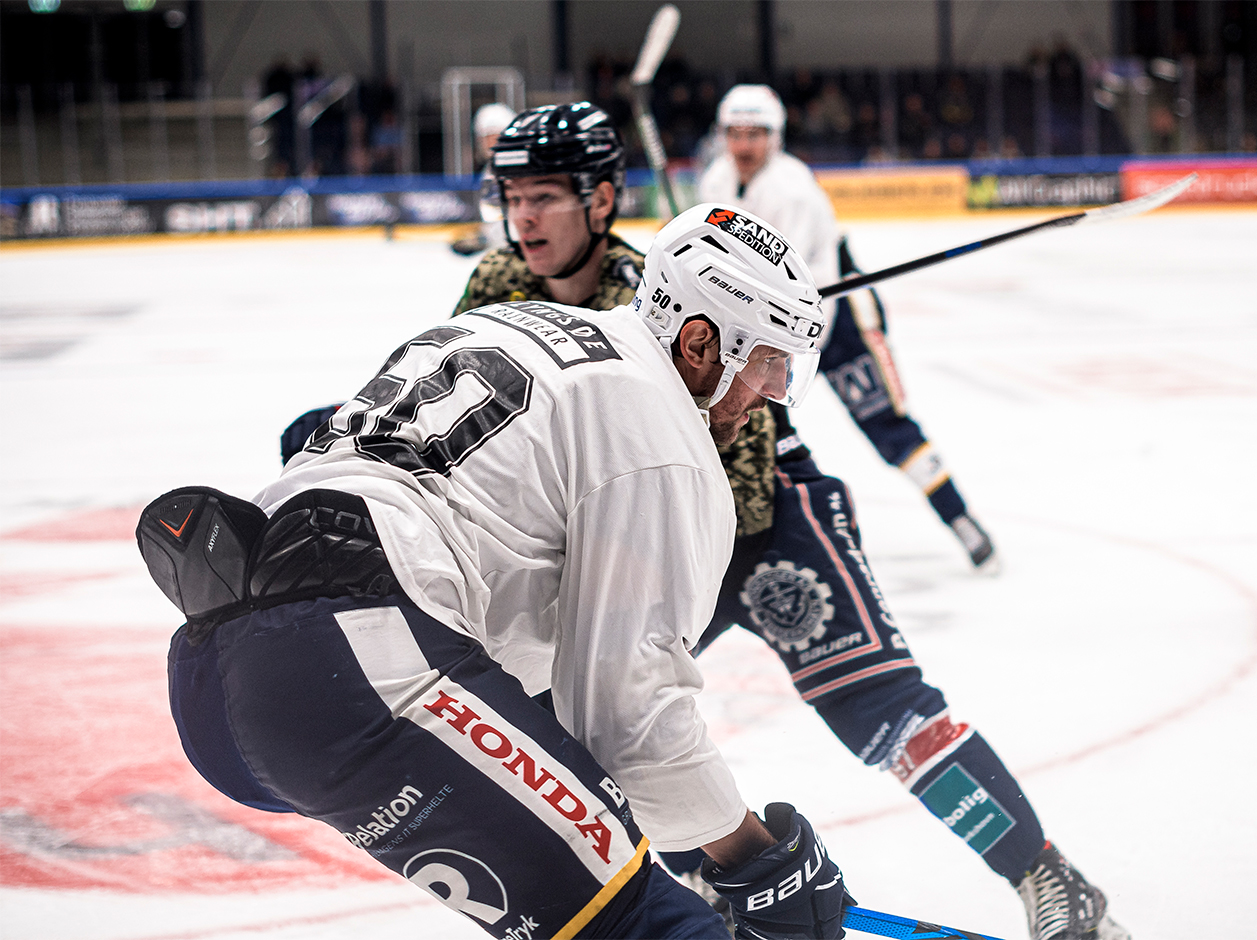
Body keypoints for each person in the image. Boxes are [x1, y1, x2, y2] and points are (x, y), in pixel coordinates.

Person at [427, 101, 1129, 940]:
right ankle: (715, 893)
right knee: (594, 729)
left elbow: (742, 452)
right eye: (513, 197)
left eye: (544, 196)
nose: (524, 217)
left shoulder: (651, 293)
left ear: (601, 200)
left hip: (764, 522)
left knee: (881, 708)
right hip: (632, 541)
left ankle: (1048, 876)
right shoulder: (493, 287)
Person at [139, 202, 854, 939]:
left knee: (600, 889)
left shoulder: (514, 323)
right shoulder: (660, 431)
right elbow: (629, 712)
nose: (772, 393)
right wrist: (759, 862)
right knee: (637, 919)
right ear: (701, 342)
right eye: (768, 363)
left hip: (227, 679)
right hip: (358, 662)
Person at [696, 83, 998, 570]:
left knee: (884, 423)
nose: (743, 145)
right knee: (750, 425)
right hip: (769, 324)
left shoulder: (792, 190)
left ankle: (960, 518)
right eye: (735, 133)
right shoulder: (717, 180)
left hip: (839, 320)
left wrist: (780, 351)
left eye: (755, 134)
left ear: (775, 137)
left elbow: (783, 281)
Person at [451, 102, 519, 256]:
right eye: (486, 137)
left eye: (493, 136)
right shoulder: (491, 169)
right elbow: (496, 217)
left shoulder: (512, 169)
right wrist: (483, 239)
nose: (489, 143)